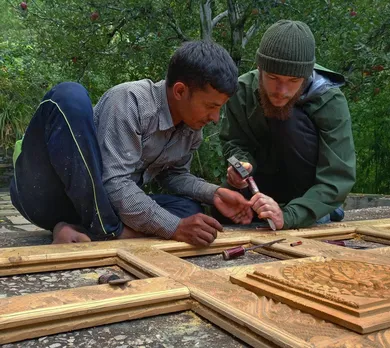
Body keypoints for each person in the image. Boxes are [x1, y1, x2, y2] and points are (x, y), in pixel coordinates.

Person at [10, 40, 253, 245]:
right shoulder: (131, 101)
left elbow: (173, 175)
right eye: (211, 106)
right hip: (48, 197)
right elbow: (114, 182)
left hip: (100, 209)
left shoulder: (191, 129)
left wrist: (215, 193)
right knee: (69, 95)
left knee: (191, 213)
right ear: (180, 91)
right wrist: (174, 228)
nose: (214, 118)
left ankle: (76, 230)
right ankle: (112, 232)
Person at [218, 20, 356, 230]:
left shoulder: (329, 101)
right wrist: (240, 166)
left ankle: (312, 211)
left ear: (306, 75)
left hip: (308, 196)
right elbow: (233, 143)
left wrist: (290, 216)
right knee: (219, 211)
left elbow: (337, 177)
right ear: (259, 68)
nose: (282, 90)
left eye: (293, 81)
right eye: (273, 77)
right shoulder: (242, 91)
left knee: (289, 120)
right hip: (258, 191)